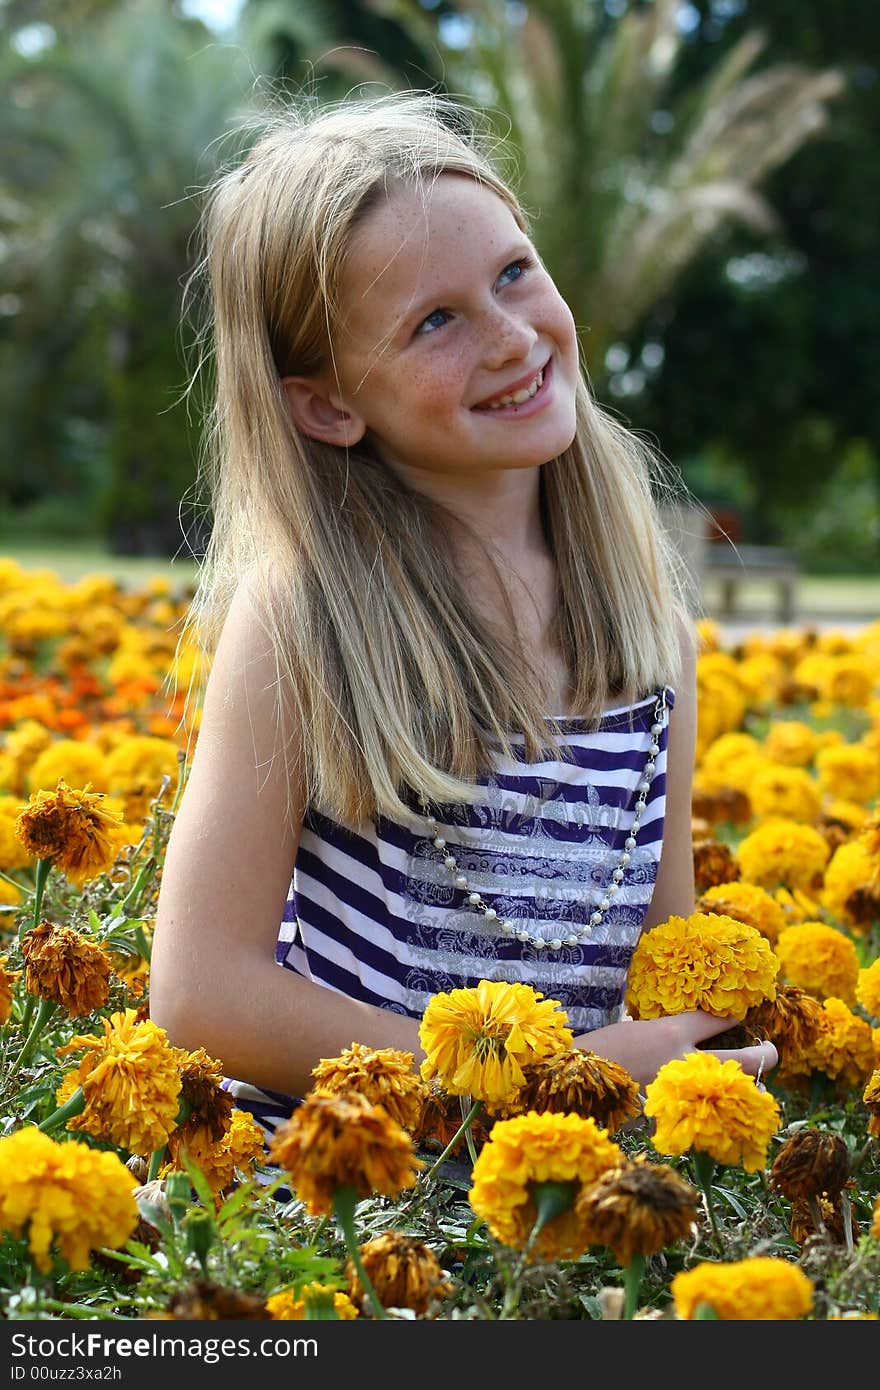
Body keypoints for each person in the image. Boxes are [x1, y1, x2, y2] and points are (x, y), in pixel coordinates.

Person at [150, 90, 777, 1147]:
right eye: (433, 320)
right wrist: (540, 1076)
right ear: (328, 405)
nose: (509, 336)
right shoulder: (309, 619)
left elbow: (660, 938)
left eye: (513, 273)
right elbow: (202, 993)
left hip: (556, 1183)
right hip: (341, 1185)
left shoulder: (645, 627)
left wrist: (725, 1040)